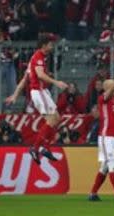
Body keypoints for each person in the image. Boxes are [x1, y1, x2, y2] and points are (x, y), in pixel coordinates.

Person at [88, 66, 114, 202]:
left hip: (113, 137)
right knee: (112, 164)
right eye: (112, 85)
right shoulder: (103, 98)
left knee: (105, 167)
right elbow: (112, 89)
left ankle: (93, 193)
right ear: (107, 88)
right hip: (106, 137)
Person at [25, 35, 69, 165]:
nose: (52, 46)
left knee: (56, 118)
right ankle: (36, 148)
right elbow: (40, 75)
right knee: (52, 119)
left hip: (42, 91)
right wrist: (56, 82)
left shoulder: (41, 56)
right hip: (38, 91)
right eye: (50, 44)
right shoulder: (38, 56)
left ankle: (44, 148)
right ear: (44, 45)